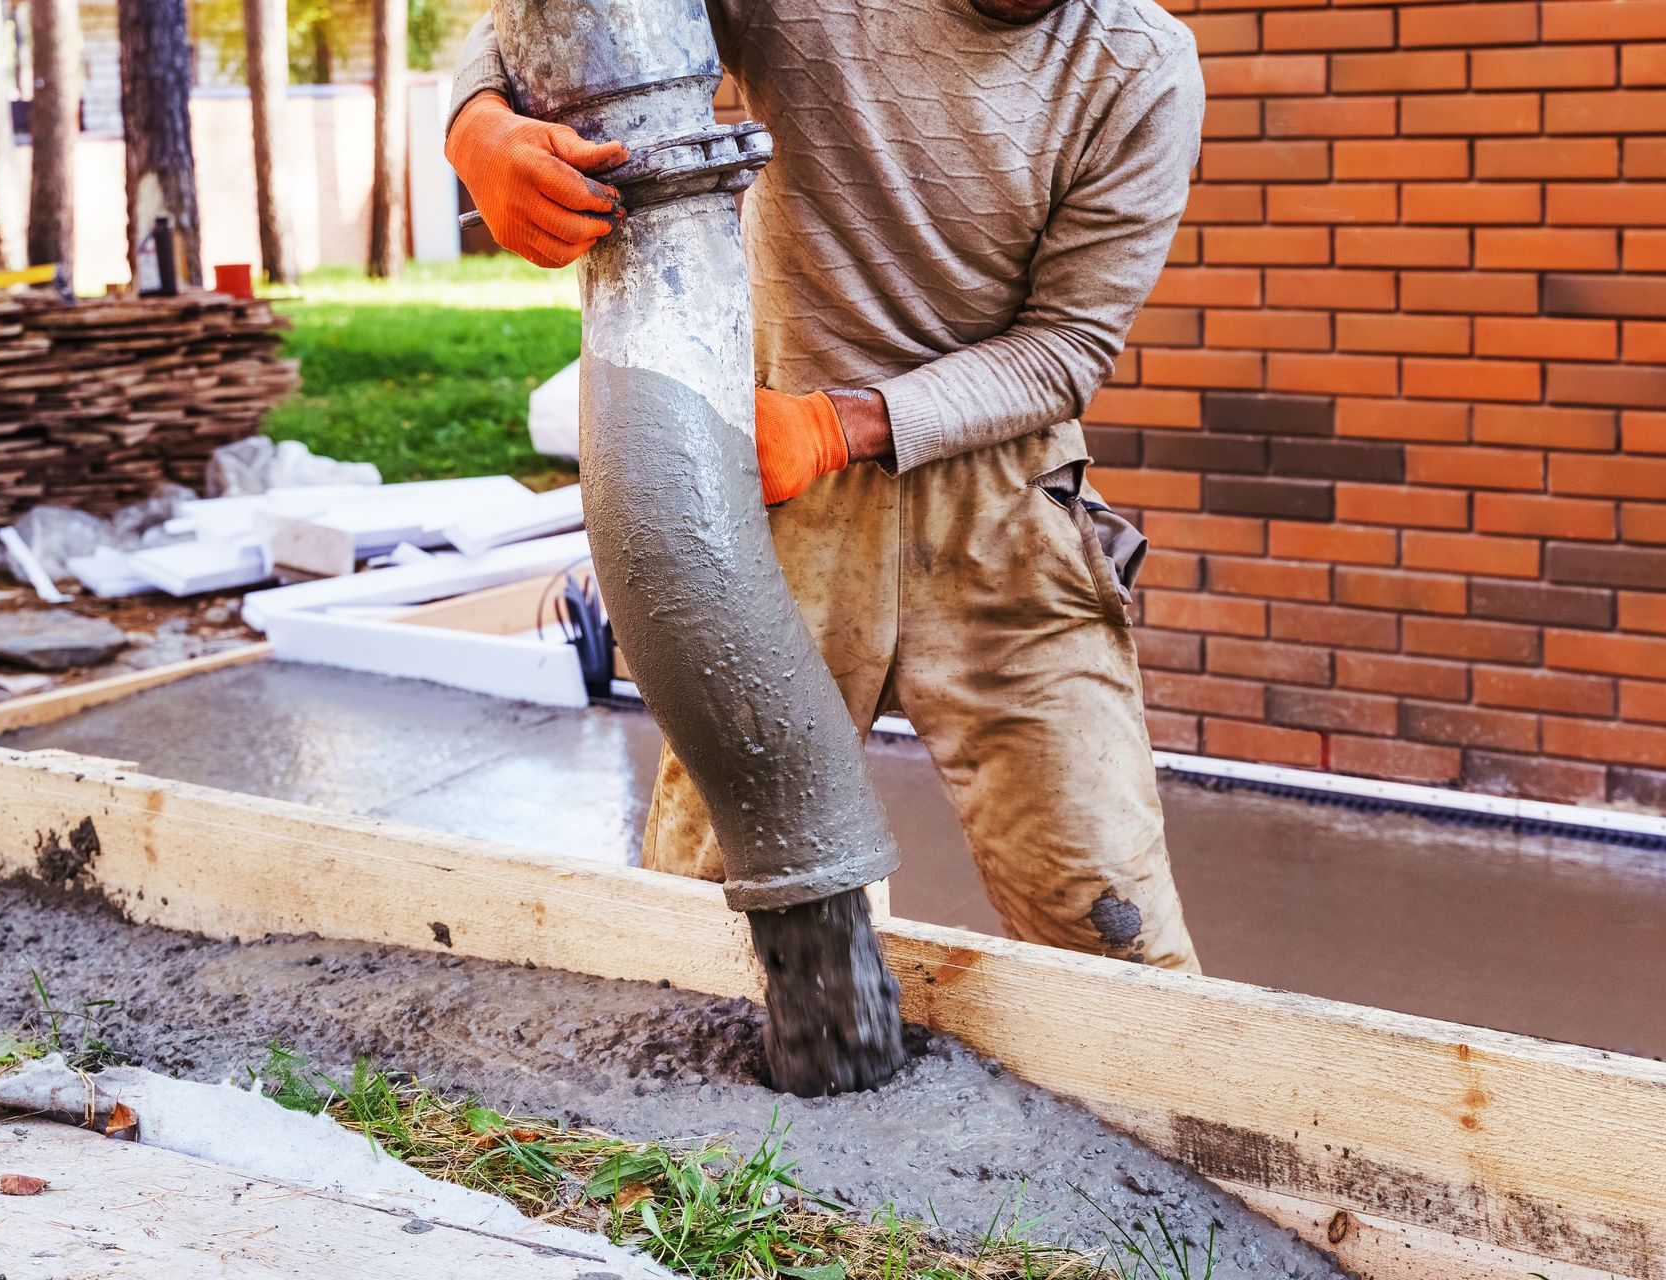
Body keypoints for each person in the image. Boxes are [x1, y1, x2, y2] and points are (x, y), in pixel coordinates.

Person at [445, 0, 1206, 971]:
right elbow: (589, 9)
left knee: (1111, 922)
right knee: (710, 922)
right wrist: (481, 125)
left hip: (1000, 510)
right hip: (780, 497)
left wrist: (837, 425)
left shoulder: (1139, 66)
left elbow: (1067, 349)